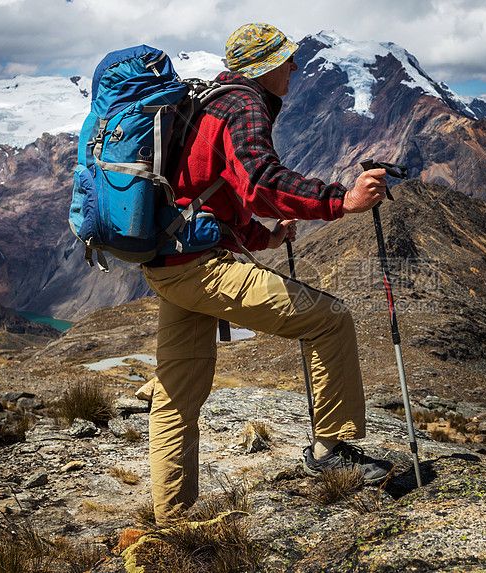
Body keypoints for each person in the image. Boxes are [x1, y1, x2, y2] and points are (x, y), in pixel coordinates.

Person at [140, 22, 394, 524]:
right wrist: (340, 200)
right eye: (285, 59)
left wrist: (264, 238)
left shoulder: (208, 100)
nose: (294, 68)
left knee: (176, 394)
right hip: (198, 270)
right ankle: (331, 452)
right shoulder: (243, 104)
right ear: (264, 66)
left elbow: (201, 196)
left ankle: (173, 521)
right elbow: (260, 180)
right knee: (329, 319)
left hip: (167, 264)